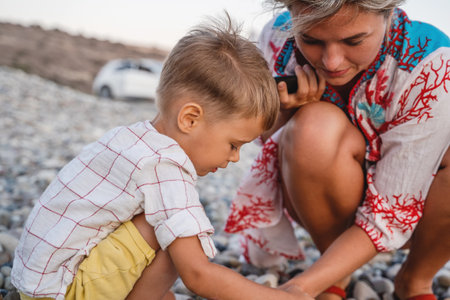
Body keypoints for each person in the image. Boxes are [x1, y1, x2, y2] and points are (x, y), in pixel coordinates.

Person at [11, 15, 313, 300]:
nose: (234, 158)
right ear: (190, 119)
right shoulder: (165, 165)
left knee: (165, 219)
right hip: (64, 291)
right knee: (176, 232)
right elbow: (198, 275)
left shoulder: (131, 138)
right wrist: (280, 296)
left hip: (37, 282)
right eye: (234, 144)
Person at [225, 0, 450, 299]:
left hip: (421, 207)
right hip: (320, 194)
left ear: (388, 15)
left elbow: (393, 210)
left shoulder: (431, 63)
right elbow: (263, 141)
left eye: (353, 41)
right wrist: (282, 114)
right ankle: (336, 275)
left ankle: (415, 279)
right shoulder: (277, 37)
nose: (331, 62)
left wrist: (298, 288)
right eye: (311, 40)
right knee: (313, 127)